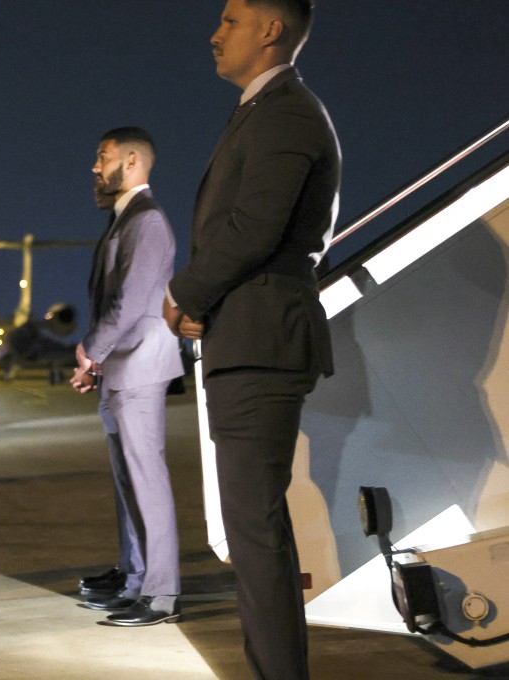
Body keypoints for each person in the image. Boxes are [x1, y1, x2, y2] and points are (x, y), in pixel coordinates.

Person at [166, 1, 340, 678]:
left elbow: (253, 228)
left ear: (270, 29)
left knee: (256, 530)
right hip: (250, 339)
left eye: (231, 17)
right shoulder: (265, 113)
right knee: (254, 528)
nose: (215, 31)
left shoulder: (288, 113)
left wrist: (184, 294)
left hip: (262, 343)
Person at [71, 127, 185, 626]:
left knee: (147, 481)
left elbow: (132, 302)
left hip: (139, 366)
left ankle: (160, 596)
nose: (96, 168)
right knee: (129, 483)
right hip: (120, 368)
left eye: (104, 158)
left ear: (134, 162)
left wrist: (89, 351)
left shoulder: (148, 221)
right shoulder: (126, 220)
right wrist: (98, 363)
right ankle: (137, 578)